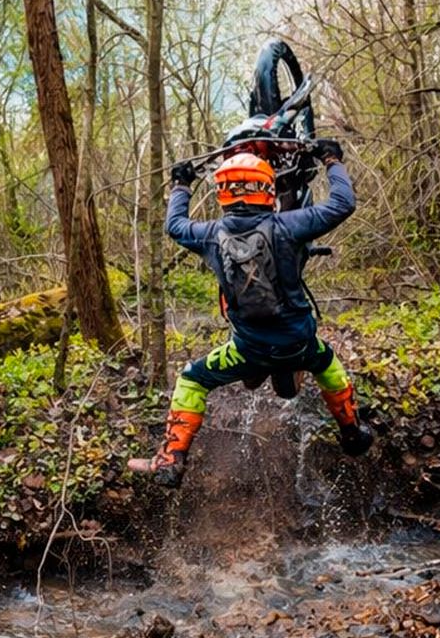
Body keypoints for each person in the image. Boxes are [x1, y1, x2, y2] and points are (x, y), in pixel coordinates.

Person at [128, 142, 373, 489]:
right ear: (267, 188)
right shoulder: (290, 226)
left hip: (248, 350)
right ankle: (352, 433)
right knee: (327, 362)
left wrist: (181, 184)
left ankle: (170, 459)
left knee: (192, 380)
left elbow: (176, 225)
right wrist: (331, 159)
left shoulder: (210, 235)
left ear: (222, 192)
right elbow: (342, 204)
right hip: (301, 344)